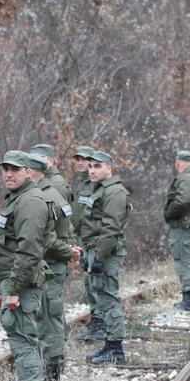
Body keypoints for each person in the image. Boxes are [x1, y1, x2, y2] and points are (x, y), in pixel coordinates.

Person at [0, 150, 54, 381]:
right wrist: (0, 287)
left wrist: (13, 289)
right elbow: (7, 249)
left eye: (15, 169)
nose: (8, 174)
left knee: (24, 340)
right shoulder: (18, 198)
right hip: (13, 280)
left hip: (23, 282)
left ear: (28, 171)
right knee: (21, 338)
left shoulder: (30, 201)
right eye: (5, 169)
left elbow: (29, 252)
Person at [25, 151, 82, 381]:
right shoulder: (50, 193)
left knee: (48, 319)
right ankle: (47, 372)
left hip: (48, 265)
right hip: (50, 264)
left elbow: (45, 238)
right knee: (48, 318)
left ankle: (50, 376)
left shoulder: (46, 197)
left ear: (31, 172)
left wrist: (69, 251)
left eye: (20, 170)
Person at [81, 150, 131, 364]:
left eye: (98, 166)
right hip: (96, 249)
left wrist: (99, 257)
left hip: (107, 251)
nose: (92, 170)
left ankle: (116, 350)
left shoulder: (114, 192)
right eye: (90, 166)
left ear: (109, 168)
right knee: (102, 298)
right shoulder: (100, 190)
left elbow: (110, 229)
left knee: (109, 298)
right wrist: (87, 255)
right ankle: (110, 345)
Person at [164, 150, 190, 310]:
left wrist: (169, 213)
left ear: (178, 162)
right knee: (189, 259)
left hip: (183, 224)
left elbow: (182, 201)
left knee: (182, 259)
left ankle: (188, 299)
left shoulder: (186, 178)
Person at [70, 146, 103, 340]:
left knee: (96, 281)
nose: (81, 163)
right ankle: (96, 320)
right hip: (82, 238)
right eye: (78, 159)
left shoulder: (96, 184)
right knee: (89, 280)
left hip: (94, 238)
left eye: (85, 159)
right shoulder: (81, 184)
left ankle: (100, 323)